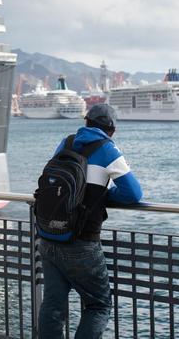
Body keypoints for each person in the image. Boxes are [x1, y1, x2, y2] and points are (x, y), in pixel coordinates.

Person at [38, 103, 143, 339]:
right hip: (81, 241)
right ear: (112, 130)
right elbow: (133, 194)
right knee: (98, 305)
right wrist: (104, 195)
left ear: (86, 123)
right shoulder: (108, 149)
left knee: (53, 304)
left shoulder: (65, 142)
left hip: (48, 235)